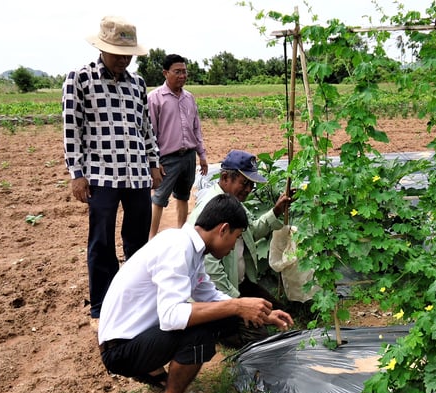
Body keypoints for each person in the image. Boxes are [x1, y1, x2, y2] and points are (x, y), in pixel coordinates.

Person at [98, 194, 294, 393]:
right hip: (119, 351)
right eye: (236, 237)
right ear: (223, 229)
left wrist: (263, 314)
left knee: (219, 314)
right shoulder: (178, 248)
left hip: (131, 337)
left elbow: (210, 295)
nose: (234, 246)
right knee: (201, 330)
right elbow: (171, 316)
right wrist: (237, 306)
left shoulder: (190, 248)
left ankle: (151, 368)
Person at [63, 16, 162, 331]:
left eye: (128, 54)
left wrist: (154, 161)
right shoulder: (80, 79)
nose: (124, 59)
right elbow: (71, 129)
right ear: (102, 48)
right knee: (102, 241)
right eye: (118, 53)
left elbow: (145, 128)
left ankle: (134, 300)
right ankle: (101, 307)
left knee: (137, 241)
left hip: (136, 175)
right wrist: (77, 173)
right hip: (101, 176)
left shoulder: (138, 84)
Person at [188, 150, 292, 346]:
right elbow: (211, 269)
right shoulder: (210, 208)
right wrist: (237, 302)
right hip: (221, 292)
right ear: (225, 177)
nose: (249, 189)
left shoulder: (234, 203)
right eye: (244, 183)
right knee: (260, 339)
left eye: (251, 184)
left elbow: (250, 232)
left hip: (239, 283)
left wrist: (276, 211)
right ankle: (222, 332)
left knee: (277, 311)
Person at [147, 54, 208, 236]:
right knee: (159, 199)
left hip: (188, 155)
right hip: (167, 159)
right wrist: (154, 162)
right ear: (166, 73)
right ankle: (150, 238)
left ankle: (181, 235)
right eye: (177, 72)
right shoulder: (155, 98)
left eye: (184, 71)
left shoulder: (189, 98)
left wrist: (202, 156)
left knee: (183, 196)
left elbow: (196, 128)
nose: (182, 75)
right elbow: (150, 133)